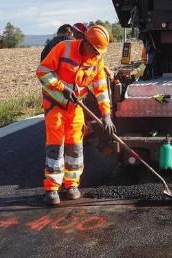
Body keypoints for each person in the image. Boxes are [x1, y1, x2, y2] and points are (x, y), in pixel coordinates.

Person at [36, 24, 116, 206]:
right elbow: (42, 72)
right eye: (95, 50)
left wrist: (106, 115)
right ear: (86, 42)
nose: (97, 55)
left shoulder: (97, 60)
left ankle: (71, 185)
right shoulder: (63, 48)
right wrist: (62, 88)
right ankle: (52, 189)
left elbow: (101, 89)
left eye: (99, 52)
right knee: (55, 148)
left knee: (75, 148)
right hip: (55, 106)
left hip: (76, 108)